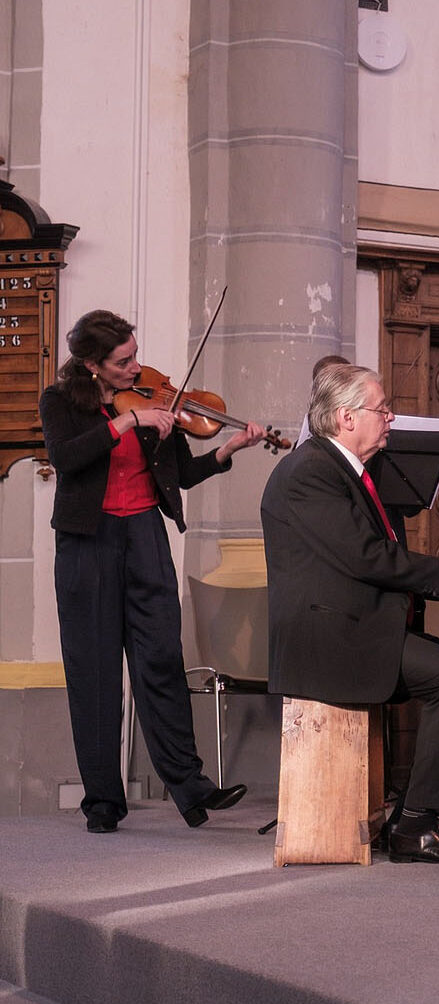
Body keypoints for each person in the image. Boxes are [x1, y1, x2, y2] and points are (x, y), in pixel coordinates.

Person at [39, 309, 265, 833]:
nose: (135, 367)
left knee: (161, 660)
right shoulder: (62, 402)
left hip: (144, 537)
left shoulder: (151, 396)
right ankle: (102, 802)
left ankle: (190, 788)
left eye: (135, 355)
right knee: (94, 673)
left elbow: (182, 472)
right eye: (123, 361)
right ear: (92, 365)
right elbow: (67, 458)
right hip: (87, 544)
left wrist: (226, 451)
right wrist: (125, 422)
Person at [262, 364, 439, 863]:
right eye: (382, 409)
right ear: (346, 417)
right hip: (328, 640)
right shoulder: (310, 471)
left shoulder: (345, 468)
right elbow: (364, 556)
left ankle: (415, 819)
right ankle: (415, 825)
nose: (391, 418)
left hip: (356, 627)